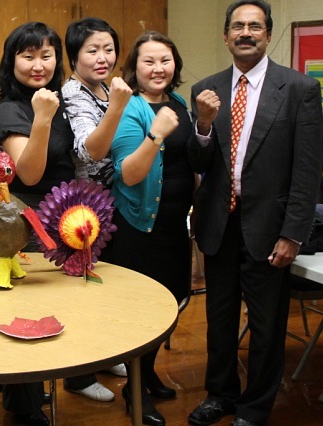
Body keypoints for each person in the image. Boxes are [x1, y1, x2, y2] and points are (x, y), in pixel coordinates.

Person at [187, 0, 322, 426]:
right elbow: (198, 162)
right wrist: (202, 124)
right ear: (225, 35)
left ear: (268, 35)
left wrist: (293, 233)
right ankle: (220, 394)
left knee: (266, 327)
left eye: (255, 26)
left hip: (270, 228)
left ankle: (255, 407)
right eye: (238, 26)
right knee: (220, 318)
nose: (246, 33)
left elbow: (306, 170)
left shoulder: (299, 89)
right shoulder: (206, 89)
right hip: (219, 224)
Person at [100, 30, 195, 426]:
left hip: (174, 225)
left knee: (171, 302)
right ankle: (134, 390)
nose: (158, 68)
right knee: (140, 312)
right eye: (149, 61)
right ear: (134, 68)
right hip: (140, 228)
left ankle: (148, 372)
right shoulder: (130, 109)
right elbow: (129, 174)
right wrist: (156, 134)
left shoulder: (178, 104)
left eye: (165, 60)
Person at [0, 21, 75, 426]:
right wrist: (42, 118)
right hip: (28, 224)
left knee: (52, 311)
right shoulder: (12, 108)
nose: (38, 64)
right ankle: (24, 408)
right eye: (28, 56)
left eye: (46, 55)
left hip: (62, 218)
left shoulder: (59, 99)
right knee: (28, 315)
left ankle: (25, 393)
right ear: (12, 61)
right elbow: (28, 173)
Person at [61, 17, 132, 401]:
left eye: (108, 49)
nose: (102, 57)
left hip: (111, 201)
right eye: (92, 50)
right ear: (74, 56)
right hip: (84, 207)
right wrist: (118, 107)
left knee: (107, 287)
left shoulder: (105, 87)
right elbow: (90, 149)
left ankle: (103, 355)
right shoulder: (73, 93)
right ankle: (78, 375)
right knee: (83, 291)